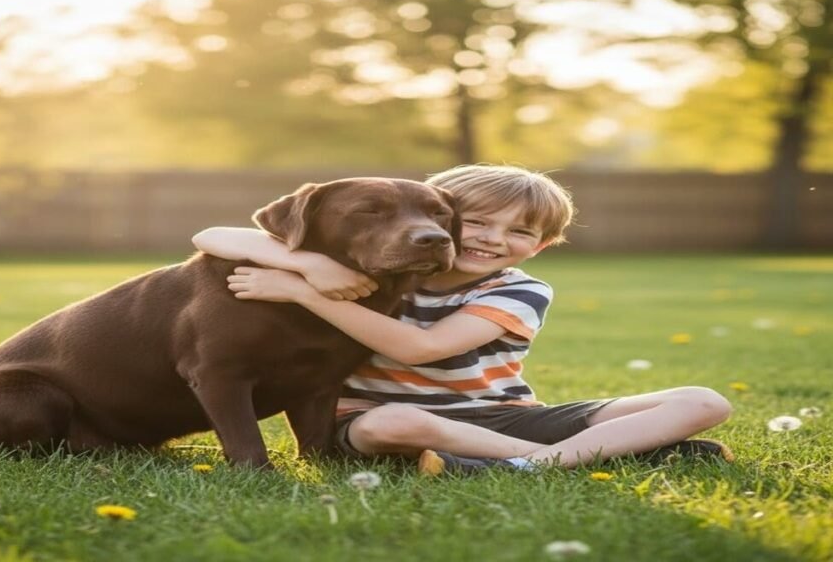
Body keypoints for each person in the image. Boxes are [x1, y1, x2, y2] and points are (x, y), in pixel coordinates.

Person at [192, 165, 733, 474]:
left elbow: (421, 348)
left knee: (704, 401)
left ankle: (532, 464)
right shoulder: (374, 267)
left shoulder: (518, 289)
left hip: (501, 417)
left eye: (519, 232)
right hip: (380, 419)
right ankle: (598, 457)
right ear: (441, 219)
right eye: (475, 222)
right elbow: (210, 235)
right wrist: (308, 264)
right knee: (394, 423)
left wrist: (304, 292)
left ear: (541, 246)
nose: (493, 239)